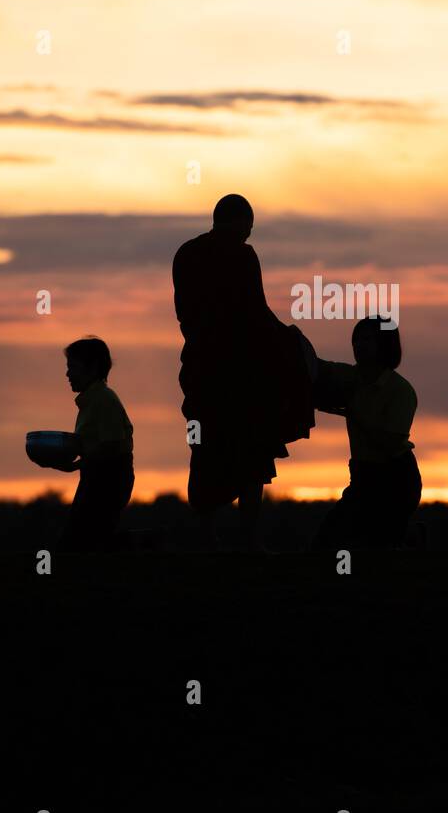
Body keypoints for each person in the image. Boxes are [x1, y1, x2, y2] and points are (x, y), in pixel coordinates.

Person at [172, 194, 314, 549]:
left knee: (205, 452)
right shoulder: (242, 254)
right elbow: (255, 312)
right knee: (252, 455)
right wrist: (288, 340)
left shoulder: (186, 254)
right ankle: (248, 539)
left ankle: (207, 536)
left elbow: (184, 315)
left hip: (202, 370)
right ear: (242, 222)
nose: (249, 233)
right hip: (243, 374)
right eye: (248, 226)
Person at [313, 316, 421, 550]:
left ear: (384, 345)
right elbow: (318, 368)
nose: (358, 345)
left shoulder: (401, 391)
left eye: (366, 340)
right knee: (329, 542)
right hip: (363, 477)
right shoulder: (351, 378)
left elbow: (390, 443)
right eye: (356, 340)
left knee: (374, 547)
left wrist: (353, 414)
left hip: (395, 480)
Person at [50, 336, 134, 551]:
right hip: (96, 478)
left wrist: (76, 463)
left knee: (78, 541)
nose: (68, 374)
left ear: (93, 368)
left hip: (108, 480)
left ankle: (144, 546)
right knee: (89, 539)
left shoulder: (103, 400)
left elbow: (114, 446)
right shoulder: (91, 401)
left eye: (73, 368)